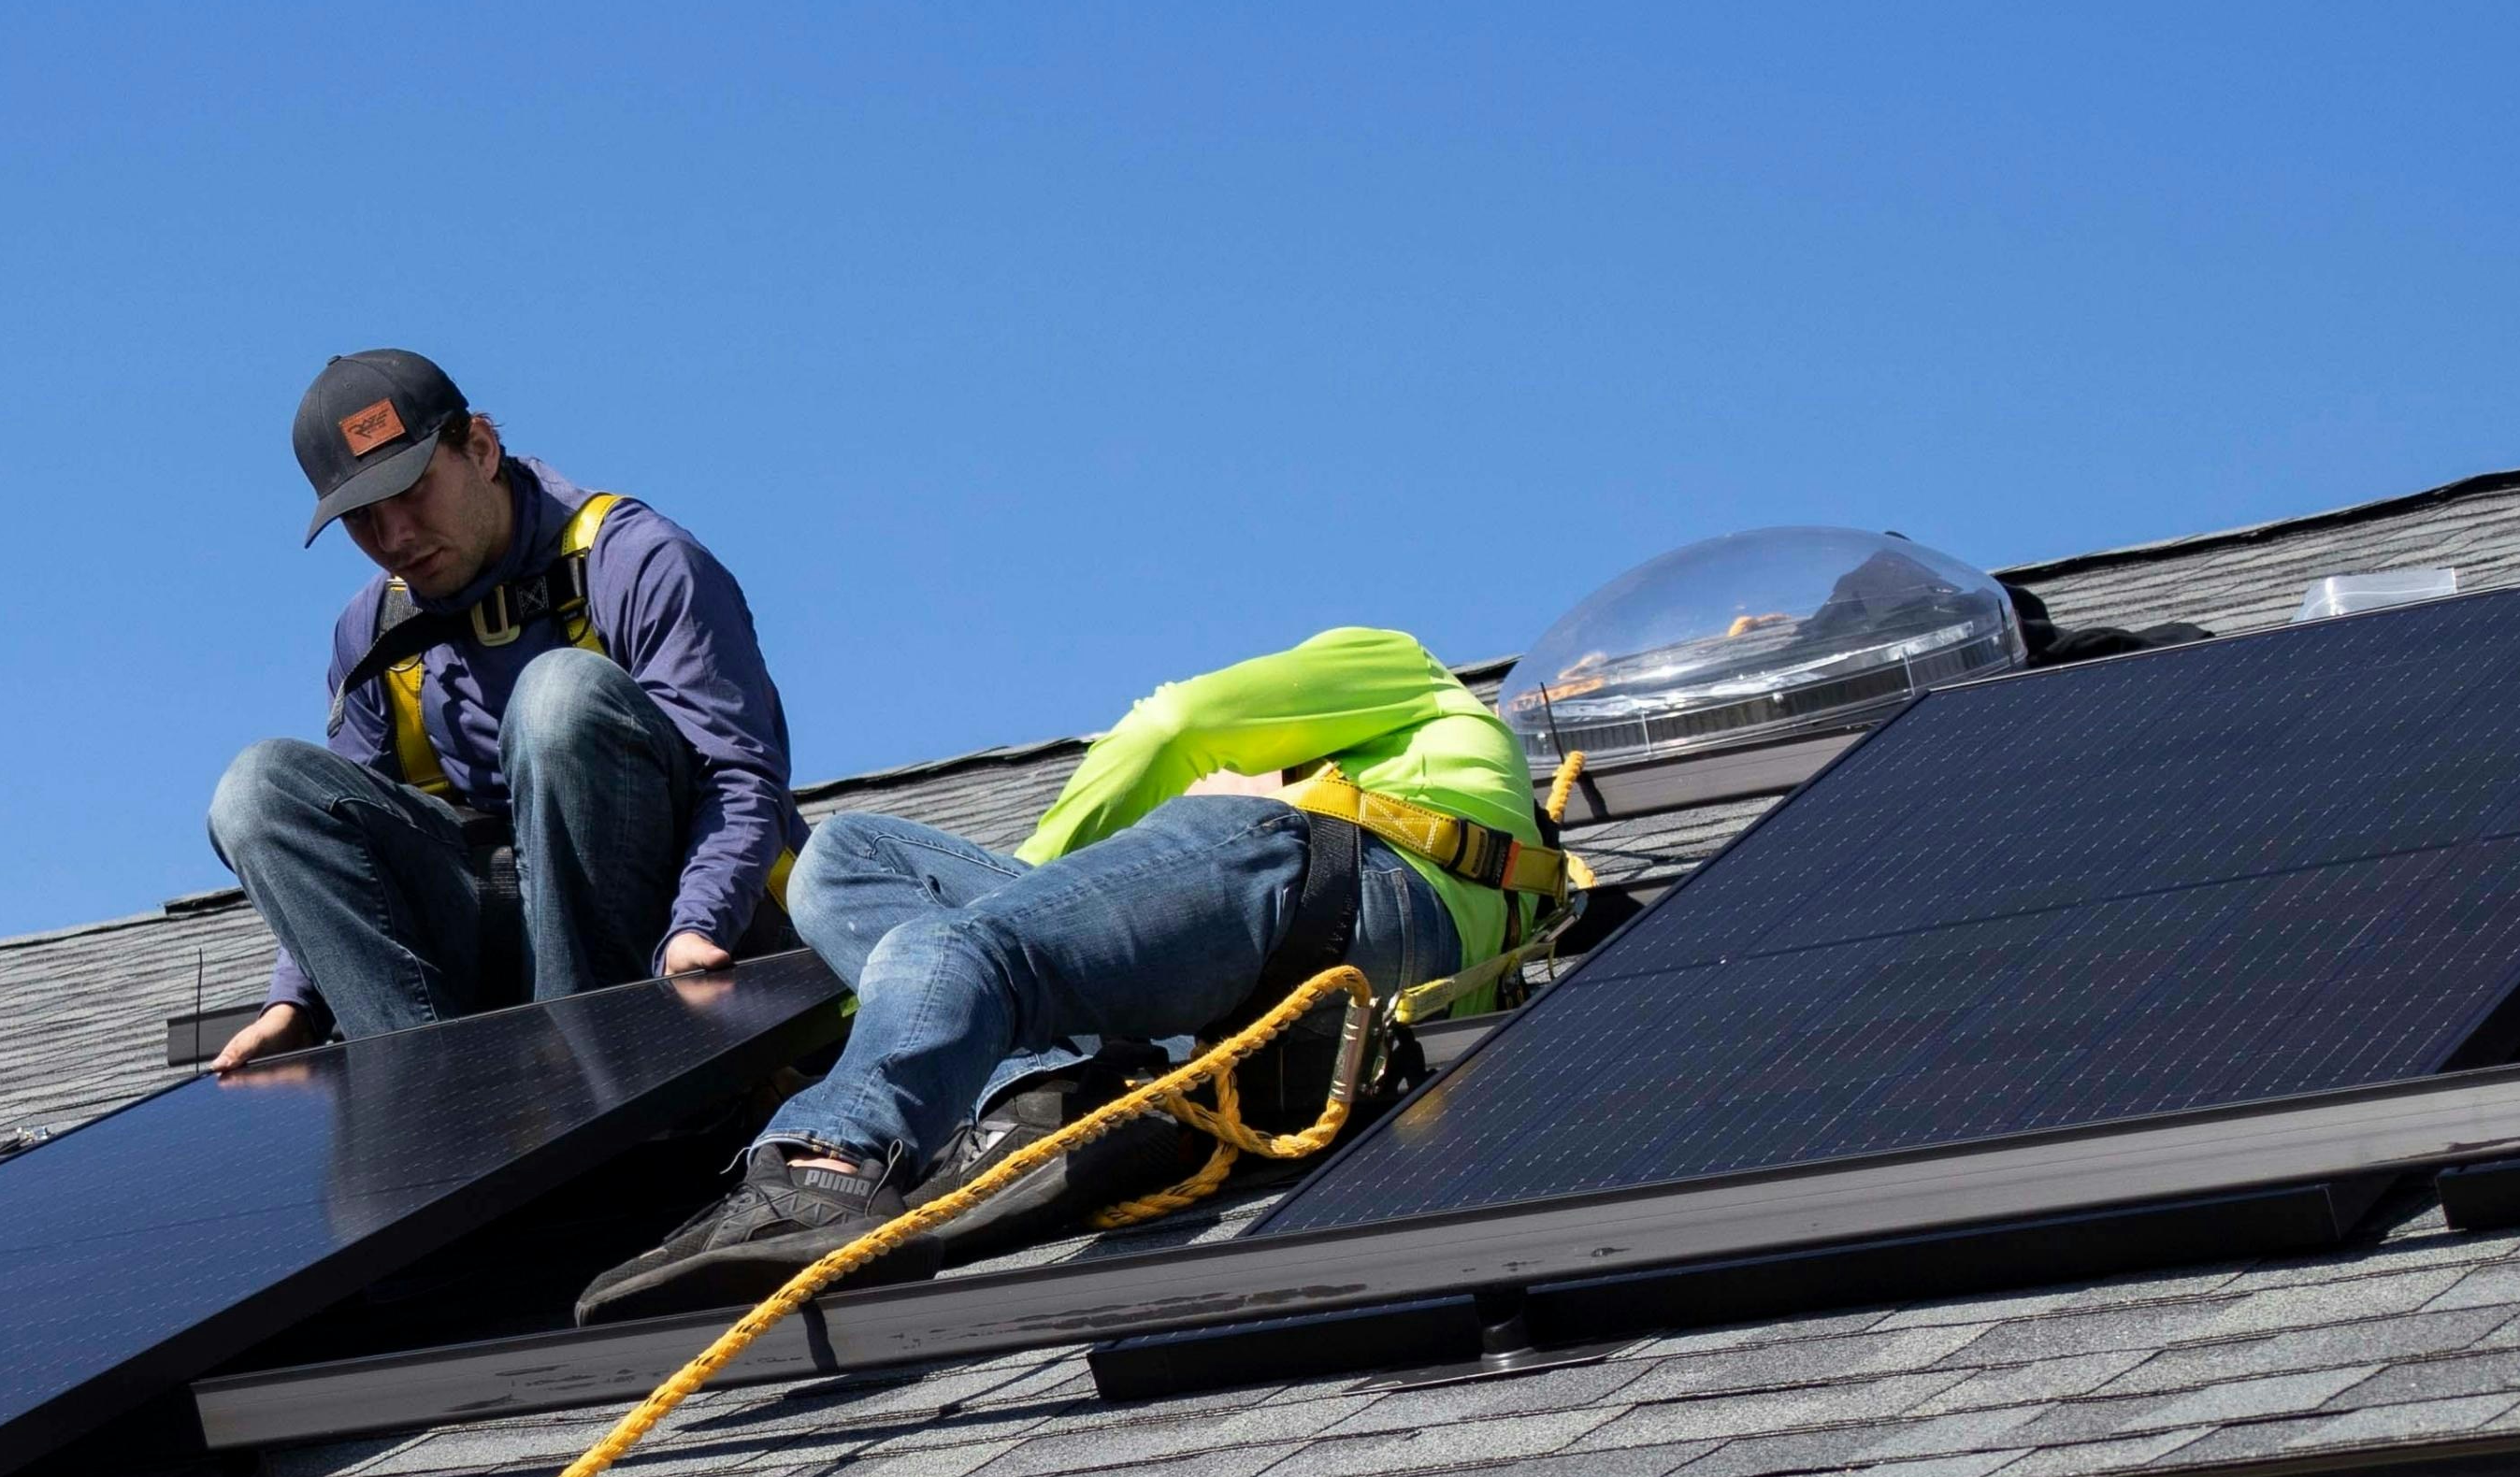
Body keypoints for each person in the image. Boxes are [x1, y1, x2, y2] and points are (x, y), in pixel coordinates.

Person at [575, 625, 1562, 1322]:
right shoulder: (1526, 889)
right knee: (843, 856)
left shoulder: (1409, 671)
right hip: (1312, 957)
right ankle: (1044, 1094)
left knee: (961, 950)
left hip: (1316, 878)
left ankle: (828, 1166)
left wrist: (1017, 920)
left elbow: (1173, 725)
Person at [203, 351, 801, 1072]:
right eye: (362, 517)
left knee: (558, 698)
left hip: (668, 943)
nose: (393, 537)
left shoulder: (637, 561)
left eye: (412, 490)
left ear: (480, 449)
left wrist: (699, 923)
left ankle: (600, 1086)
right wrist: (294, 1002)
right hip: (503, 944)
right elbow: (356, 846)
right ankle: (433, 1112)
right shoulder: (373, 632)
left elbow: (739, 778)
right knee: (258, 789)